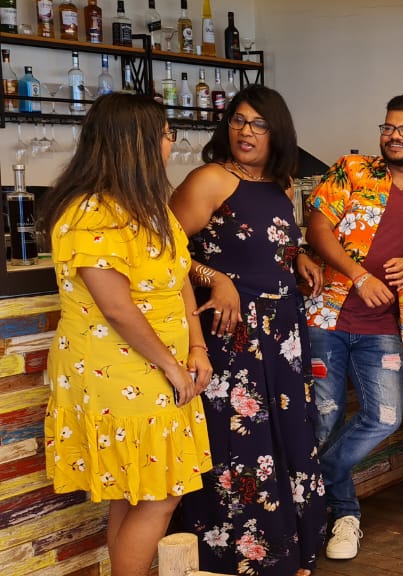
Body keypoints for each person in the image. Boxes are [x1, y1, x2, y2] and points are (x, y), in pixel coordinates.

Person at [39, 93, 212, 576]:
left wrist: (197, 347)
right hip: (116, 371)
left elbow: (179, 278)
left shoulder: (151, 207)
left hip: (160, 366)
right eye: (166, 134)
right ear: (136, 143)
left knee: (138, 487)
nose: (170, 143)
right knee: (161, 494)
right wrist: (172, 365)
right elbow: (116, 307)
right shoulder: (91, 212)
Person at [169, 85, 327, 576]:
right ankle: (237, 558)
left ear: (277, 132)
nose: (246, 131)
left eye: (259, 123)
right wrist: (214, 278)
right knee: (240, 444)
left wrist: (299, 256)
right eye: (238, 120)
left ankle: (290, 552)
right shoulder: (210, 180)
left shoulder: (282, 184)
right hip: (231, 333)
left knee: (287, 436)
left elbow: (269, 243)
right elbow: (163, 251)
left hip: (282, 334)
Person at [305, 95, 403, 560]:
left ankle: (308, 482)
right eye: (389, 127)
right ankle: (344, 516)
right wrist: (359, 276)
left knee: (386, 416)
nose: (395, 135)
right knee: (324, 419)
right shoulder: (352, 170)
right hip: (325, 316)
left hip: (383, 323)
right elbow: (316, 228)